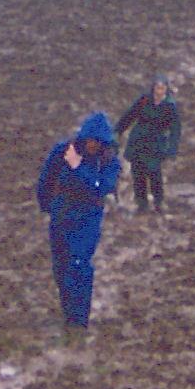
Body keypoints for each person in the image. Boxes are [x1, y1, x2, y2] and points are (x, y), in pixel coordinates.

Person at [34, 111, 123, 330]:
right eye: (90, 139)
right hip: (61, 218)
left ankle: (79, 320)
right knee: (60, 267)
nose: (92, 145)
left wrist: (78, 168)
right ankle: (68, 314)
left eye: (98, 141)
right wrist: (49, 208)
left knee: (79, 266)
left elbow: (101, 187)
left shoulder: (109, 162)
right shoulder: (63, 151)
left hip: (87, 222)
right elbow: (46, 180)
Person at [113, 74, 183, 212]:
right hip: (138, 141)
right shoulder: (144, 100)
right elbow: (130, 115)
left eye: (162, 88)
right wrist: (118, 131)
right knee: (138, 173)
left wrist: (172, 149)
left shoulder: (170, 106)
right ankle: (141, 203)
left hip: (155, 144)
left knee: (154, 173)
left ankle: (158, 202)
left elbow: (175, 130)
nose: (159, 91)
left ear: (166, 89)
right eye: (157, 88)